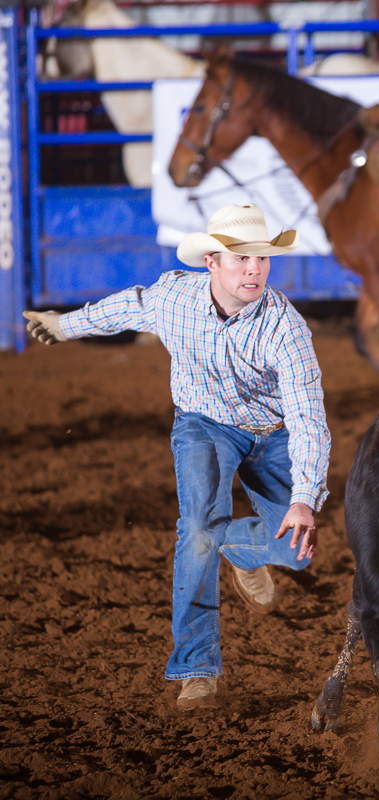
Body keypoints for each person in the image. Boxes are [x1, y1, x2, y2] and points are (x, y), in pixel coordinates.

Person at [23, 204, 331, 710]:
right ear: (211, 261)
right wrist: (65, 325)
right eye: (241, 258)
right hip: (204, 423)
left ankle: (236, 546)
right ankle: (196, 668)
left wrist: (303, 498)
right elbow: (128, 307)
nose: (255, 269)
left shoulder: (286, 328)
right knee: (196, 531)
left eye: (262, 258)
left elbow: (307, 418)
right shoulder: (175, 297)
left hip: (274, 433)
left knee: (294, 550)